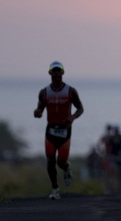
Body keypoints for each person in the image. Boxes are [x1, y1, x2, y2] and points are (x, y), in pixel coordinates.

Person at [34, 61, 84, 200]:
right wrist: (37, 112)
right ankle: (55, 189)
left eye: (58, 71)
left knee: (60, 161)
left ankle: (67, 168)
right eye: (54, 71)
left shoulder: (70, 91)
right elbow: (40, 109)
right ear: (50, 73)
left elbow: (80, 108)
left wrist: (72, 117)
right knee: (50, 159)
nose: (56, 74)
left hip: (65, 131)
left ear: (62, 73)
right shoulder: (44, 92)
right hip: (50, 130)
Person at [105, 126, 121, 195]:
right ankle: (112, 188)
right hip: (113, 157)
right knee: (113, 172)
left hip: (120, 157)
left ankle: (120, 189)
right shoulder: (111, 138)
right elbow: (107, 146)